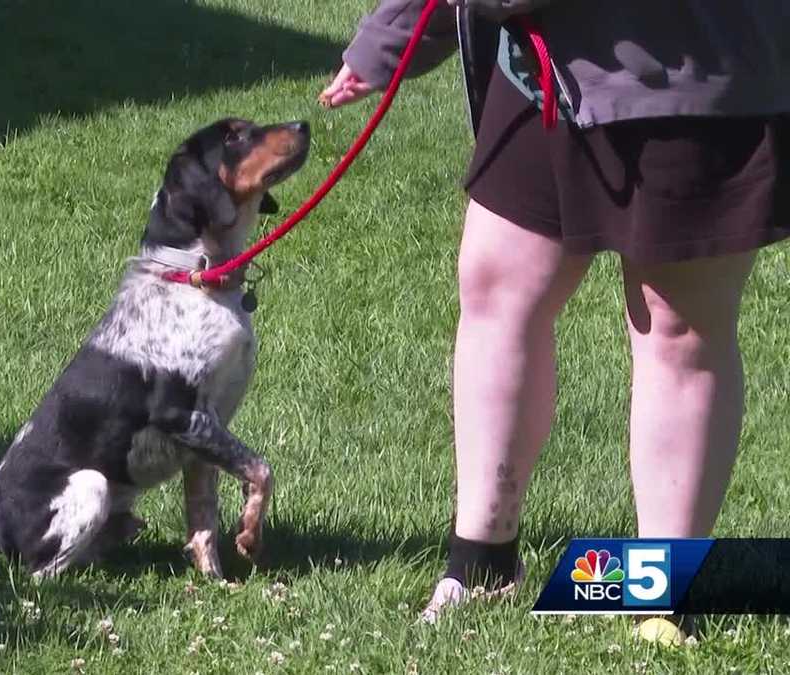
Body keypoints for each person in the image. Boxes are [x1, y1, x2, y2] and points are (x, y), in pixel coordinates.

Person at [319, 0, 790, 635]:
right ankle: (482, 565)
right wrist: (393, 38)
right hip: (546, 71)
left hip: (698, 66)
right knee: (496, 288)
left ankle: (661, 596)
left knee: (678, 330)